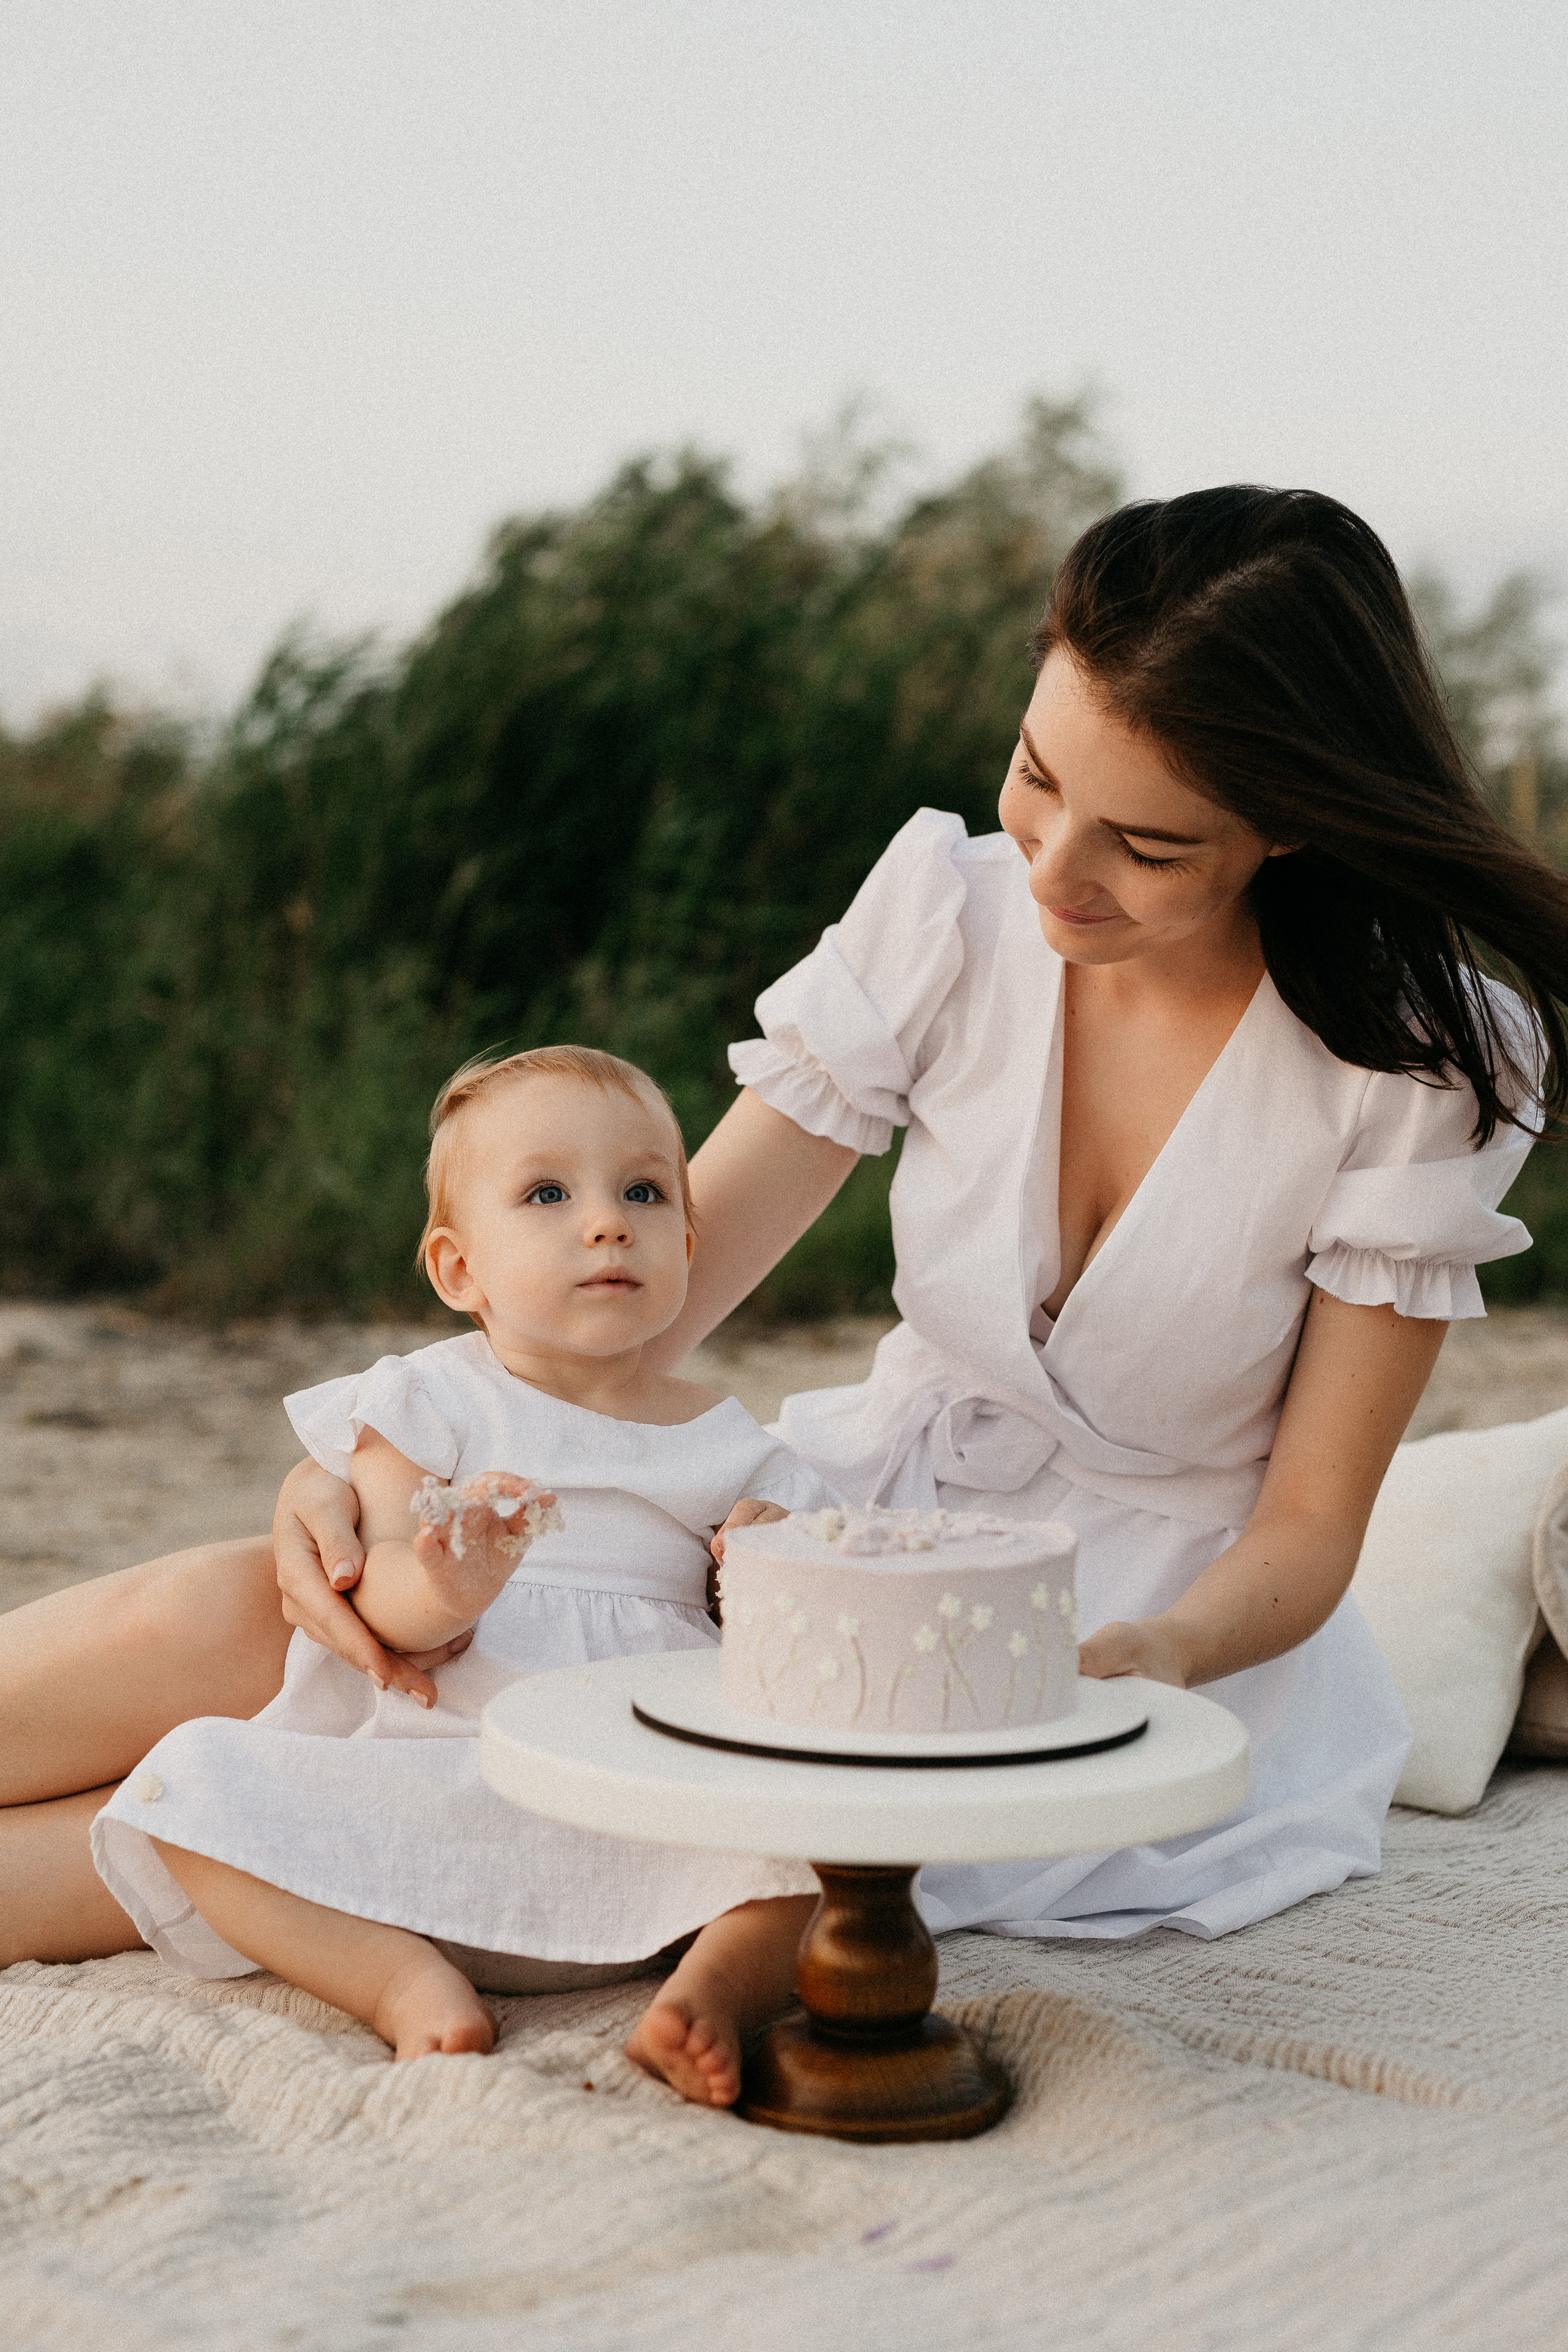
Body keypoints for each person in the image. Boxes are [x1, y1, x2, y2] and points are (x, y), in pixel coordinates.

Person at [5, 487, 1567, 1973]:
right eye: (1036, 775)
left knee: (476, 1788)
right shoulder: (949, 915)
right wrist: (369, 1466)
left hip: (1148, 1636)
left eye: (1145, 845)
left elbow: (1304, 1538)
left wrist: (1140, 1667)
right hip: (830, 1520)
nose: (1053, 868)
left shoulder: (1420, 1067)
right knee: (234, 1605)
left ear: (1289, 826)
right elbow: (632, 1316)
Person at [91, 1044, 834, 2097]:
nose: (608, 1219)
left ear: (686, 1239)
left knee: (825, 1838)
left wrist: (774, 1556)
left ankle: (708, 1993)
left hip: (654, 1813)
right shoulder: (429, 1403)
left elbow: (818, 1622)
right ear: (458, 1269)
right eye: (546, 1193)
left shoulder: (735, 1446)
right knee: (186, 1788)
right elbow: (381, 1605)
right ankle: (396, 1980)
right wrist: (448, 1581)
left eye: (644, 1191)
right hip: (445, 1787)